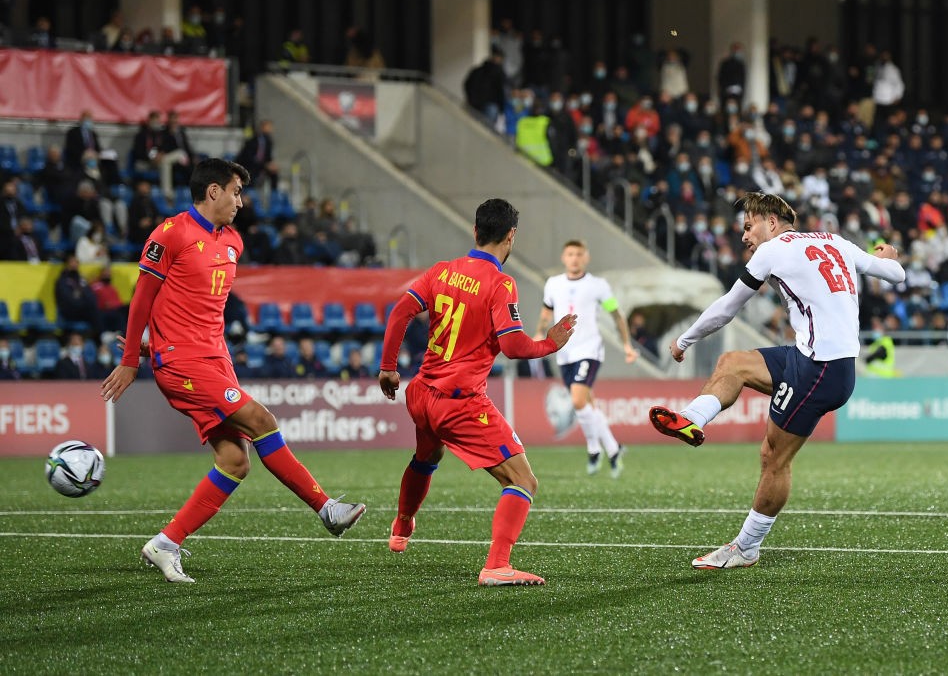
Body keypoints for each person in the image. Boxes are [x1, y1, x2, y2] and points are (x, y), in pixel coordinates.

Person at [100, 159, 365, 583]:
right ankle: (326, 509)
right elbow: (142, 300)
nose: (241, 201)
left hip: (215, 361)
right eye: (236, 191)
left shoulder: (233, 243)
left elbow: (191, 304)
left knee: (234, 461)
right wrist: (133, 360)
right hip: (183, 364)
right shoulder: (171, 234)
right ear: (213, 192)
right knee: (262, 420)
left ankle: (165, 544)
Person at [647, 192, 905, 570]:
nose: (744, 237)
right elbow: (896, 274)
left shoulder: (773, 250)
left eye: (748, 226)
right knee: (733, 363)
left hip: (821, 369)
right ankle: (692, 419)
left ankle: (746, 547)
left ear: (771, 222)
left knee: (774, 457)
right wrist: (888, 256)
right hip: (812, 357)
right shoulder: (834, 241)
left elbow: (727, 308)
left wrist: (684, 340)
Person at [378, 198, 577, 586]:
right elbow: (515, 346)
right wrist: (551, 344)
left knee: (426, 455)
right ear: (511, 236)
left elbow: (400, 311)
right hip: (459, 403)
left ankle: (402, 526)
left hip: (420, 395)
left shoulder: (442, 271)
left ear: (475, 231)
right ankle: (497, 565)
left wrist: (388, 367)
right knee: (523, 481)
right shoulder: (500, 283)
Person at [535, 240, 637, 477]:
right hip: (564, 352)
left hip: (589, 349)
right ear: (564, 257)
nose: (574, 258)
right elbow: (546, 312)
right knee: (588, 405)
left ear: (586, 257)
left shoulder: (598, 285)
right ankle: (613, 449)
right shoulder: (553, 284)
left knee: (579, 401)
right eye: (570, 254)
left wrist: (627, 345)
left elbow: (616, 314)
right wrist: (540, 332)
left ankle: (594, 450)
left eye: (579, 254)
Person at [236, 119, 279, 189]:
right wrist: (265, 165)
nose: (270, 129)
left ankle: (274, 194)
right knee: (252, 171)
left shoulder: (269, 141)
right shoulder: (253, 140)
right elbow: (248, 157)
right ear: (261, 127)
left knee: (274, 173)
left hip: (261, 165)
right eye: (267, 127)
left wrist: (271, 164)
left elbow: (268, 157)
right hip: (249, 164)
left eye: (271, 127)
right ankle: (249, 191)